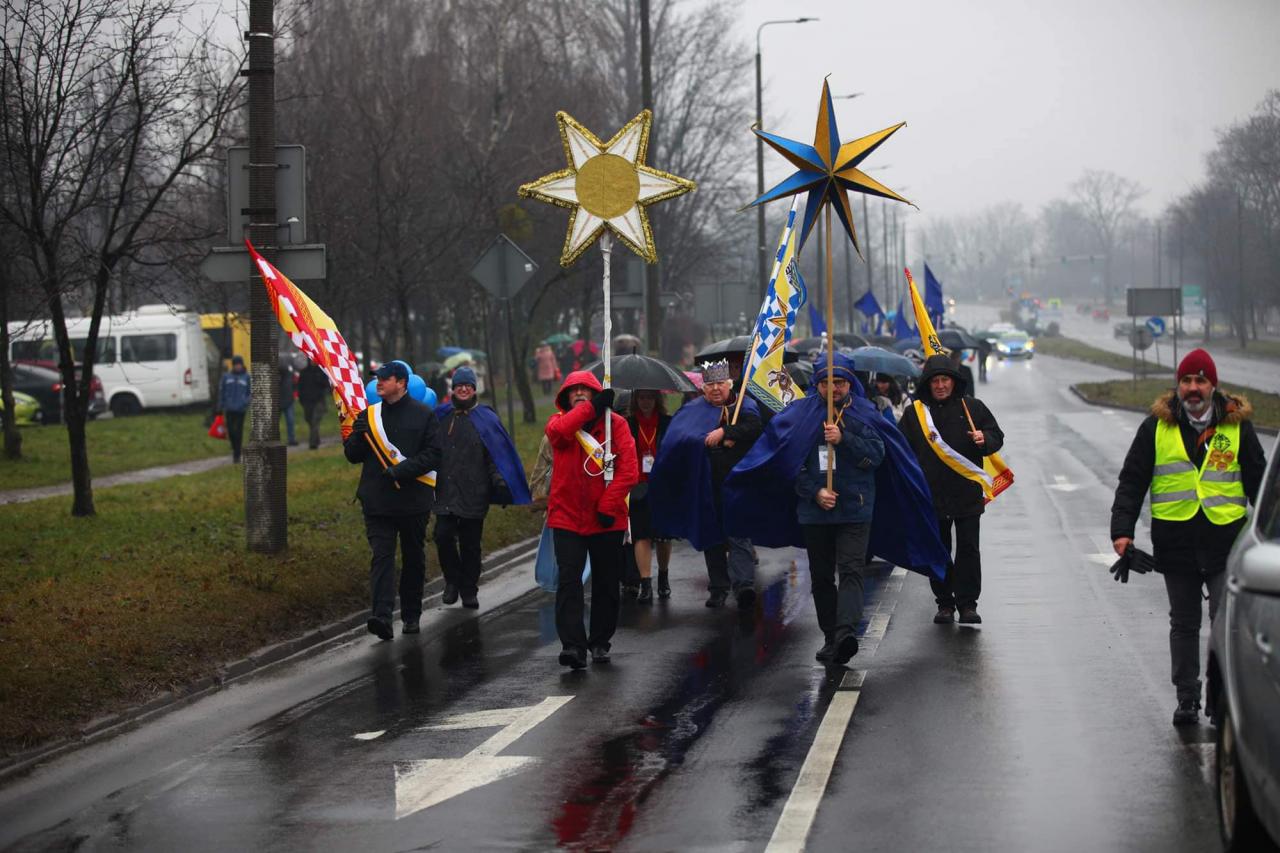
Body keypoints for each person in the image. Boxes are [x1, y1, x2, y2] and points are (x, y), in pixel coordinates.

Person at [1110, 349, 1267, 726]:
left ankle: (1219, 696)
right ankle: (1187, 697)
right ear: (1177, 386)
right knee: (1183, 622)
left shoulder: (1236, 427)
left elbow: (1262, 486)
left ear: (1213, 385)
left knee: (1222, 620)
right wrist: (1121, 533)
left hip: (1225, 541)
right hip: (1176, 541)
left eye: (1200, 381)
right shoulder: (1155, 428)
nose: (1193, 388)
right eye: (1186, 381)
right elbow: (1132, 482)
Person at [897, 353, 1004, 625]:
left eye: (945, 379)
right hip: (931, 496)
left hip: (967, 494)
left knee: (968, 549)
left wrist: (984, 439)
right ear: (927, 384)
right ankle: (944, 603)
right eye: (935, 381)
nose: (941, 385)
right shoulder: (915, 414)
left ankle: (968, 604)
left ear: (954, 382)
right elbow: (901, 449)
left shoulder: (973, 408)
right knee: (939, 550)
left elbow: (996, 436)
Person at [650, 359, 763, 609]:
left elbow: (754, 427)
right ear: (703, 388)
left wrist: (726, 432)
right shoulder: (692, 410)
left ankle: (743, 585)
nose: (715, 389)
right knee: (712, 537)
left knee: (738, 534)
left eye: (720, 383)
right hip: (705, 483)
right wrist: (700, 441)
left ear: (729, 384)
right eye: (710, 384)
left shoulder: (744, 404)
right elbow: (678, 439)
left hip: (737, 482)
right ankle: (718, 588)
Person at [342, 360, 443, 640]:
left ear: (401, 383)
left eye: (384, 379)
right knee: (382, 557)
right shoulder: (370, 415)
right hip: (377, 502)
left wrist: (401, 470)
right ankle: (382, 616)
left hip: (413, 501)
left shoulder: (423, 414)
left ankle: (411, 614)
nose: (378, 383)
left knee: (413, 558)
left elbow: (434, 454)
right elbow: (353, 456)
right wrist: (358, 434)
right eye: (377, 379)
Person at [796, 354, 886, 664]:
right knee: (821, 576)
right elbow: (789, 464)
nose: (833, 388)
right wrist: (815, 492)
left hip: (855, 509)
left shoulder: (864, 414)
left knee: (850, 570)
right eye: (826, 382)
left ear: (850, 384)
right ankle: (830, 634)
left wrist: (844, 438)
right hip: (816, 511)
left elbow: (876, 455)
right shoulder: (800, 415)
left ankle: (846, 632)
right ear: (816, 384)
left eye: (839, 382)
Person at [545, 370, 638, 668]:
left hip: (606, 517)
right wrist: (591, 408)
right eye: (574, 391)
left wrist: (608, 505)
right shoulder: (558, 423)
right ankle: (573, 646)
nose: (580, 394)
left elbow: (629, 471)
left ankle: (600, 641)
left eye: (587, 390)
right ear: (565, 396)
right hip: (567, 517)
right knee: (569, 581)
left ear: (597, 392)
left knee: (607, 582)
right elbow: (560, 435)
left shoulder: (617, 426)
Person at [433, 366, 530, 610]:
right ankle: (452, 581)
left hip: (475, 491)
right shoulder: (441, 416)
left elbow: (496, 455)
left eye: (468, 385)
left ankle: (468, 589)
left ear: (475, 389)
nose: (463, 389)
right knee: (442, 536)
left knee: (470, 544)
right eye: (459, 385)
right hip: (445, 489)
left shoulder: (486, 417)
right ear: (452, 389)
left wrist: (500, 481)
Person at [626, 389, 674, 602]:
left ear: (657, 399)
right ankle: (646, 583)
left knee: (663, 536)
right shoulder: (626, 424)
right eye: (641, 398)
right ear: (635, 400)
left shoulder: (667, 422)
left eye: (650, 397)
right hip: (637, 487)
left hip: (662, 485)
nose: (646, 402)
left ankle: (663, 576)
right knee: (641, 534)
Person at [216, 355, 251, 463]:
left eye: (239, 364)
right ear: (233, 365)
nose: (238, 367)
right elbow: (222, 392)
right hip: (229, 408)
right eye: (236, 365)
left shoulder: (247, 377)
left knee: (238, 431)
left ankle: (237, 454)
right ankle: (234, 446)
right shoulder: (226, 377)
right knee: (231, 431)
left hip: (241, 409)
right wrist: (220, 405)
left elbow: (251, 393)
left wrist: (245, 402)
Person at [297, 361, 331, 449]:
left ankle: (313, 443)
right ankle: (316, 438)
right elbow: (300, 386)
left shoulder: (321, 372)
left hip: (318, 400)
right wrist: (301, 398)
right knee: (309, 420)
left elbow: (326, 385)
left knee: (315, 421)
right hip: (307, 401)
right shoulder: (304, 372)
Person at [279, 358, 298, 447]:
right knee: (290, 421)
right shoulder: (289, 375)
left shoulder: (288, 375)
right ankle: (291, 438)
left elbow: (294, 386)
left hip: (287, 400)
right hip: (283, 401)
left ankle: (291, 439)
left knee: (290, 421)